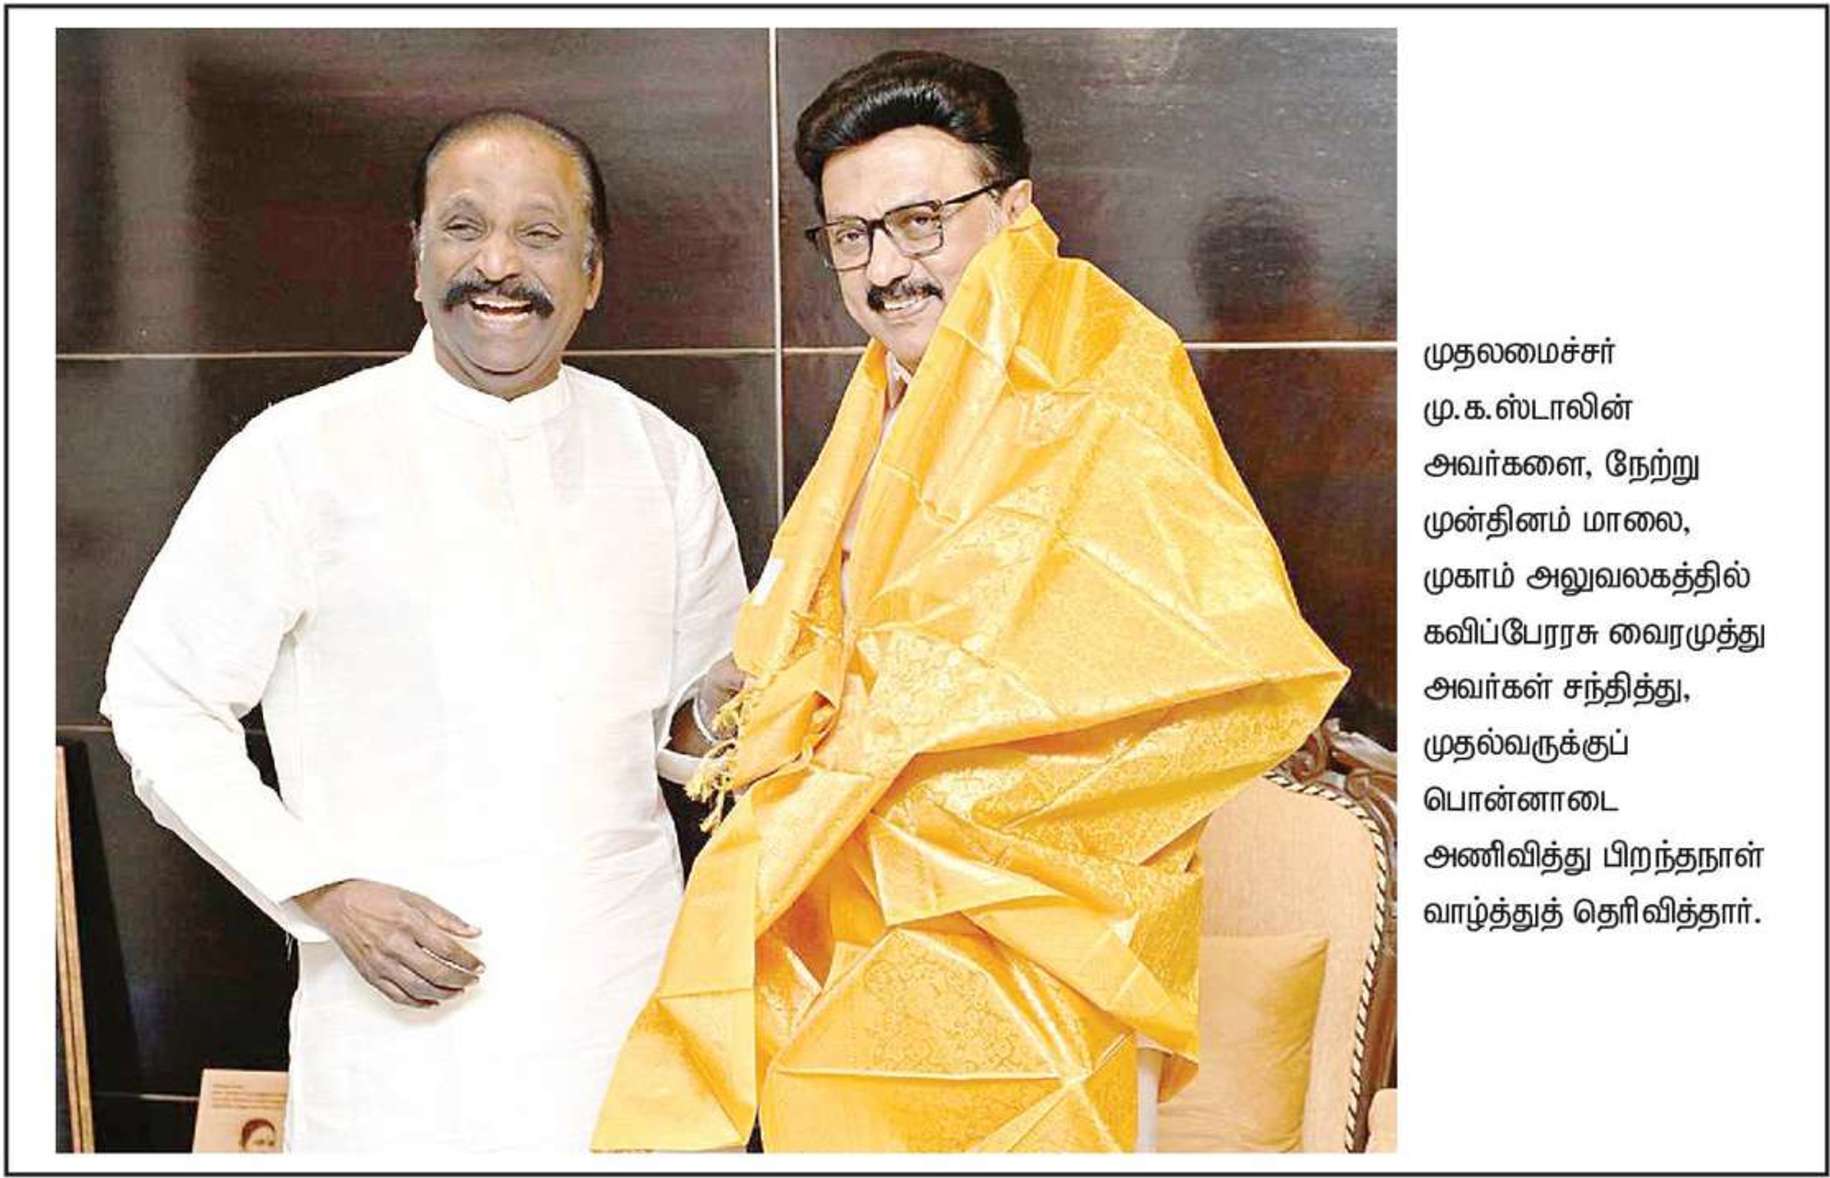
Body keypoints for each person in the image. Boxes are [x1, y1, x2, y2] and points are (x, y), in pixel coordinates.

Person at [592, 52, 1348, 1153]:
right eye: (851, 235)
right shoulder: (885, 401)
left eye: (920, 222)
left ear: (1015, 208)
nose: (886, 268)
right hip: (847, 936)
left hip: (1028, 950)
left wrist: (845, 744)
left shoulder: (1095, 373)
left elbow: (1155, 649)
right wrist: (759, 703)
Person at [101, 108, 747, 1152]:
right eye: (463, 226)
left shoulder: (662, 458)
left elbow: (696, 733)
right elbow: (159, 699)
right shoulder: (300, 452)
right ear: (416, 259)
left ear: (592, 273)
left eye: (539, 234)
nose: (498, 265)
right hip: (396, 1049)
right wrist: (322, 889)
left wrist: (745, 698)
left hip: (621, 1014)